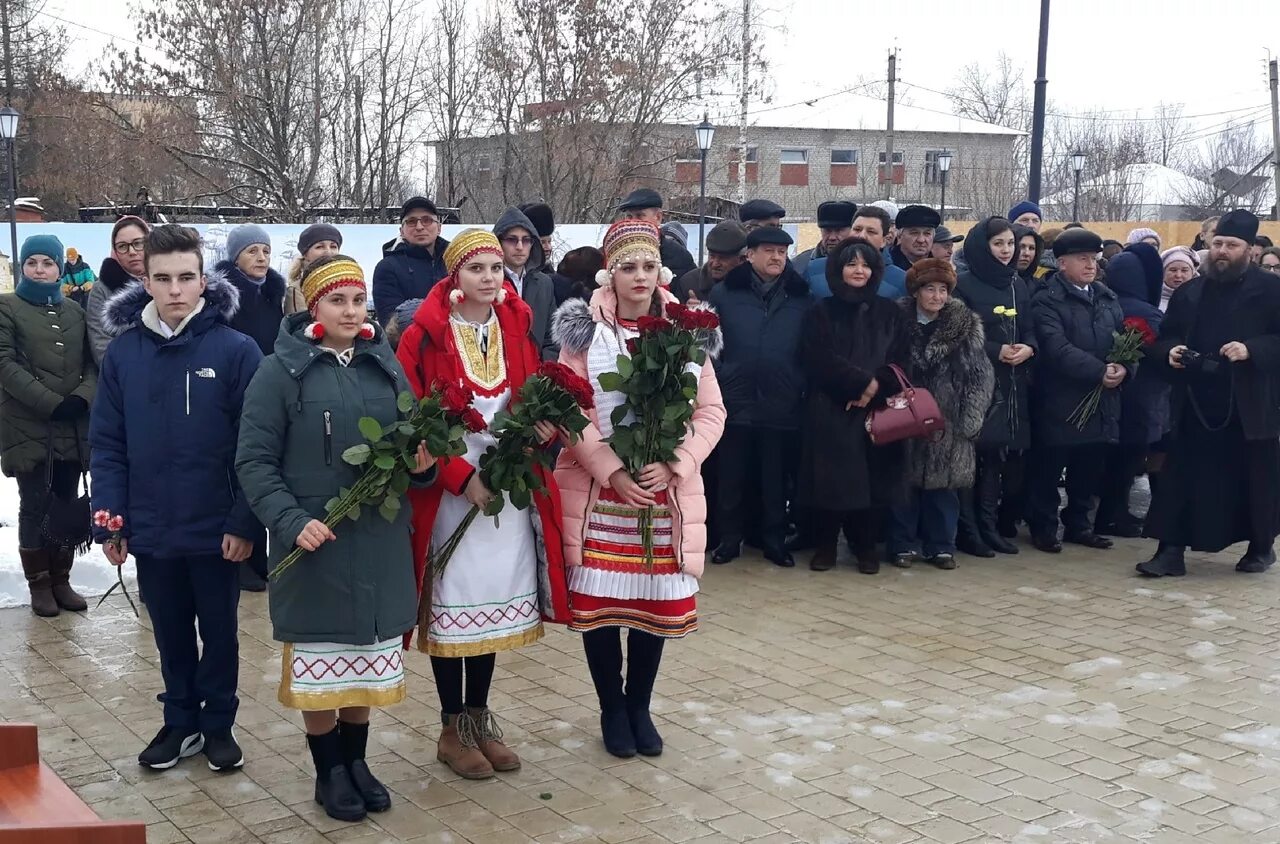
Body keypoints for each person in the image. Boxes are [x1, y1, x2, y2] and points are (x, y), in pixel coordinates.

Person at [236, 256, 434, 822]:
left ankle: (357, 762)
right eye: (337, 301)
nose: (351, 311)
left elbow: (409, 443)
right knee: (323, 661)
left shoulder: (384, 364)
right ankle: (328, 772)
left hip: (375, 539)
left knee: (365, 659)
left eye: (357, 300)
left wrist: (420, 466)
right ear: (312, 307)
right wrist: (292, 521)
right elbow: (253, 461)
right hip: (315, 545)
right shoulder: (280, 372)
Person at [91, 225, 262, 771]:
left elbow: (254, 446)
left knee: (219, 632)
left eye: (187, 277)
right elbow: (108, 443)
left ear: (204, 281)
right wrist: (112, 520)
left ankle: (218, 725)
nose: (175, 290)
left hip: (216, 528)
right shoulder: (124, 354)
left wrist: (242, 521)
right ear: (145, 280)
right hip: (152, 525)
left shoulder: (236, 351)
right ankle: (180, 720)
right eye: (162, 279)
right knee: (169, 633)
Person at [551, 219, 725, 758]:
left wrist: (676, 462)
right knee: (603, 610)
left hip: (661, 493)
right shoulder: (585, 333)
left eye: (649, 266)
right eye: (628, 266)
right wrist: (612, 470)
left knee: (652, 606)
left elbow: (711, 411)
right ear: (611, 271)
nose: (640, 276)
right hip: (604, 494)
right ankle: (611, 707)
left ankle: (639, 706)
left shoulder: (686, 331)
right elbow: (569, 408)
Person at [395, 230, 565, 780]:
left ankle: (478, 715)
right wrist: (458, 476)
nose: (490, 277)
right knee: (455, 599)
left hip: (505, 487)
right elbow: (413, 418)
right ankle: (451, 725)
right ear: (454, 276)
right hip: (452, 490)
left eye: (496, 267)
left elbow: (529, 394)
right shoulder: (422, 336)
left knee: (489, 600)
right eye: (477, 268)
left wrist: (538, 433)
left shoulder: (516, 324)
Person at [1139, 210, 1280, 577]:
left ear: (1249, 250)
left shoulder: (1271, 290)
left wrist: (1253, 349)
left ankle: (1260, 547)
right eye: (1217, 243)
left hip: (1249, 405)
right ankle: (1169, 552)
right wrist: (1168, 352)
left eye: (1231, 245)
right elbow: (1164, 338)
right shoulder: (1190, 291)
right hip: (1196, 403)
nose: (1221, 251)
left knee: (1253, 480)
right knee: (1180, 477)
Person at [796, 237, 912, 574]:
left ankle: (865, 547)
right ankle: (826, 546)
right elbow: (815, 359)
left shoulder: (890, 311)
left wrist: (876, 386)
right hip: (831, 409)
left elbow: (902, 360)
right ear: (838, 269)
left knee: (873, 486)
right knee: (830, 485)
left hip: (878, 413)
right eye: (851, 263)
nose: (858, 270)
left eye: (865, 264)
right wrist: (858, 383)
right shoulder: (821, 311)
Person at [0, 234, 95, 617]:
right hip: (28, 424)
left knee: (66, 502)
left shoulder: (75, 311)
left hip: (71, 425)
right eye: (32, 262)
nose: (40, 270)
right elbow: (4, 363)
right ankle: (39, 583)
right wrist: (51, 403)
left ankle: (61, 578)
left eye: (48, 263)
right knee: (35, 503)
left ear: (60, 267)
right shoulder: (6, 307)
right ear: (22, 267)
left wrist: (82, 398)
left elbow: (92, 362)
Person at [708, 226, 811, 568]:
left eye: (782, 252)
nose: (777, 257)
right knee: (731, 475)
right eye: (769, 250)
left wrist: (797, 380)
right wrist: (722, 377)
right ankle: (729, 539)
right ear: (749, 255)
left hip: (781, 398)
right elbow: (710, 345)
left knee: (775, 478)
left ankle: (773, 540)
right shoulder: (724, 294)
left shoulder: (800, 296)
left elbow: (809, 347)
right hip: (734, 398)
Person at [1026, 228, 1129, 554]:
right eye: (1082, 259)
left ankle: (1079, 525)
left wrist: (1124, 368)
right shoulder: (1047, 299)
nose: (1091, 265)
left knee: (1089, 466)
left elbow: (1125, 341)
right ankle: (1043, 526)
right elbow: (1056, 348)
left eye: (1094, 259)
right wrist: (1100, 371)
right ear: (1061, 263)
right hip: (1060, 398)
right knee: (1050, 466)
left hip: (1101, 400)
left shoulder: (1106, 297)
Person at [889, 258, 993, 570]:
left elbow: (980, 375)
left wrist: (971, 418)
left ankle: (941, 546)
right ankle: (901, 544)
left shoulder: (963, 325)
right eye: (930, 289)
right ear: (916, 291)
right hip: (904, 415)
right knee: (902, 486)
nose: (937, 296)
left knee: (943, 488)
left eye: (943, 290)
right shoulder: (896, 321)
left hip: (947, 419)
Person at [955, 218, 1037, 556]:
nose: (1006, 251)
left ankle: (989, 526)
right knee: (972, 458)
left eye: (1009, 244)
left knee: (997, 458)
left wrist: (1029, 347)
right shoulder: (963, 284)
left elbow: (1030, 328)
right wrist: (995, 350)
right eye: (998, 244)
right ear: (982, 246)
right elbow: (957, 334)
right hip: (975, 381)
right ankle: (968, 529)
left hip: (1012, 383)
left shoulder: (1018, 285)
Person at [214, 224, 285, 592]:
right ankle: (241, 558)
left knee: (266, 471)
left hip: (271, 391)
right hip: (237, 392)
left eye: (265, 251)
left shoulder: (275, 294)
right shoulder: (225, 296)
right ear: (235, 257)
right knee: (240, 471)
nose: (261, 258)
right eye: (252, 251)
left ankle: (261, 558)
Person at [1093, 247, 1168, 539]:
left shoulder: (1104, 303)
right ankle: (1113, 516)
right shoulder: (1146, 312)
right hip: (1142, 399)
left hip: (1108, 393)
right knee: (1127, 462)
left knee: (1109, 460)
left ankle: (1105, 515)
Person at [372, 196, 450, 325]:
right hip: (413, 343)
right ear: (402, 231)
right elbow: (391, 324)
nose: (419, 227)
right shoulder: (388, 268)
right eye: (411, 221)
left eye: (427, 220)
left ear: (439, 228)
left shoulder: (457, 262)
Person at [493, 206, 557, 359]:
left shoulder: (544, 283)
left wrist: (545, 375)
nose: (520, 247)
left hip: (537, 376)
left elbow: (552, 338)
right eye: (512, 239)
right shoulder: (488, 282)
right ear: (498, 242)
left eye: (526, 240)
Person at [86, 215, 150, 365]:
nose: (132, 252)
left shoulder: (167, 280)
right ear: (114, 250)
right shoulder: (102, 289)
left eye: (138, 243)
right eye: (122, 246)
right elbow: (101, 347)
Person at [614, 188, 696, 279]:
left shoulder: (679, 256)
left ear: (658, 217)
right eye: (629, 216)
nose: (633, 222)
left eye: (639, 216)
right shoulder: (615, 253)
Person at [672, 220, 747, 304]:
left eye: (723, 258)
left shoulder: (755, 286)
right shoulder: (689, 284)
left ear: (742, 259)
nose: (715, 264)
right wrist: (687, 314)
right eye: (712, 256)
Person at [848, 205, 908, 299]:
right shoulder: (818, 270)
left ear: (884, 240)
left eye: (871, 232)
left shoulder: (900, 280)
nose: (862, 236)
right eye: (857, 229)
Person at [285, 223, 342, 314]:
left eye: (333, 246)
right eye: (320, 247)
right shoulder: (298, 290)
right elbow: (300, 326)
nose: (328, 252)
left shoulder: (347, 282)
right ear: (305, 254)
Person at [793, 200, 855, 276]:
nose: (832, 237)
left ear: (853, 230)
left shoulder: (869, 263)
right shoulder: (800, 265)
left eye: (838, 230)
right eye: (827, 230)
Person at [889, 205, 941, 271]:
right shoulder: (883, 268)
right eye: (914, 233)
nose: (921, 240)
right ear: (899, 235)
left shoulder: (941, 270)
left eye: (927, 233)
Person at [1160, 246, 1199, 311]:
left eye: (1184, 270)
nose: (1178, 275)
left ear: (1193, 273)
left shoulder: (1202, 299)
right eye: (1173, 270)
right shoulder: (1152, 300)